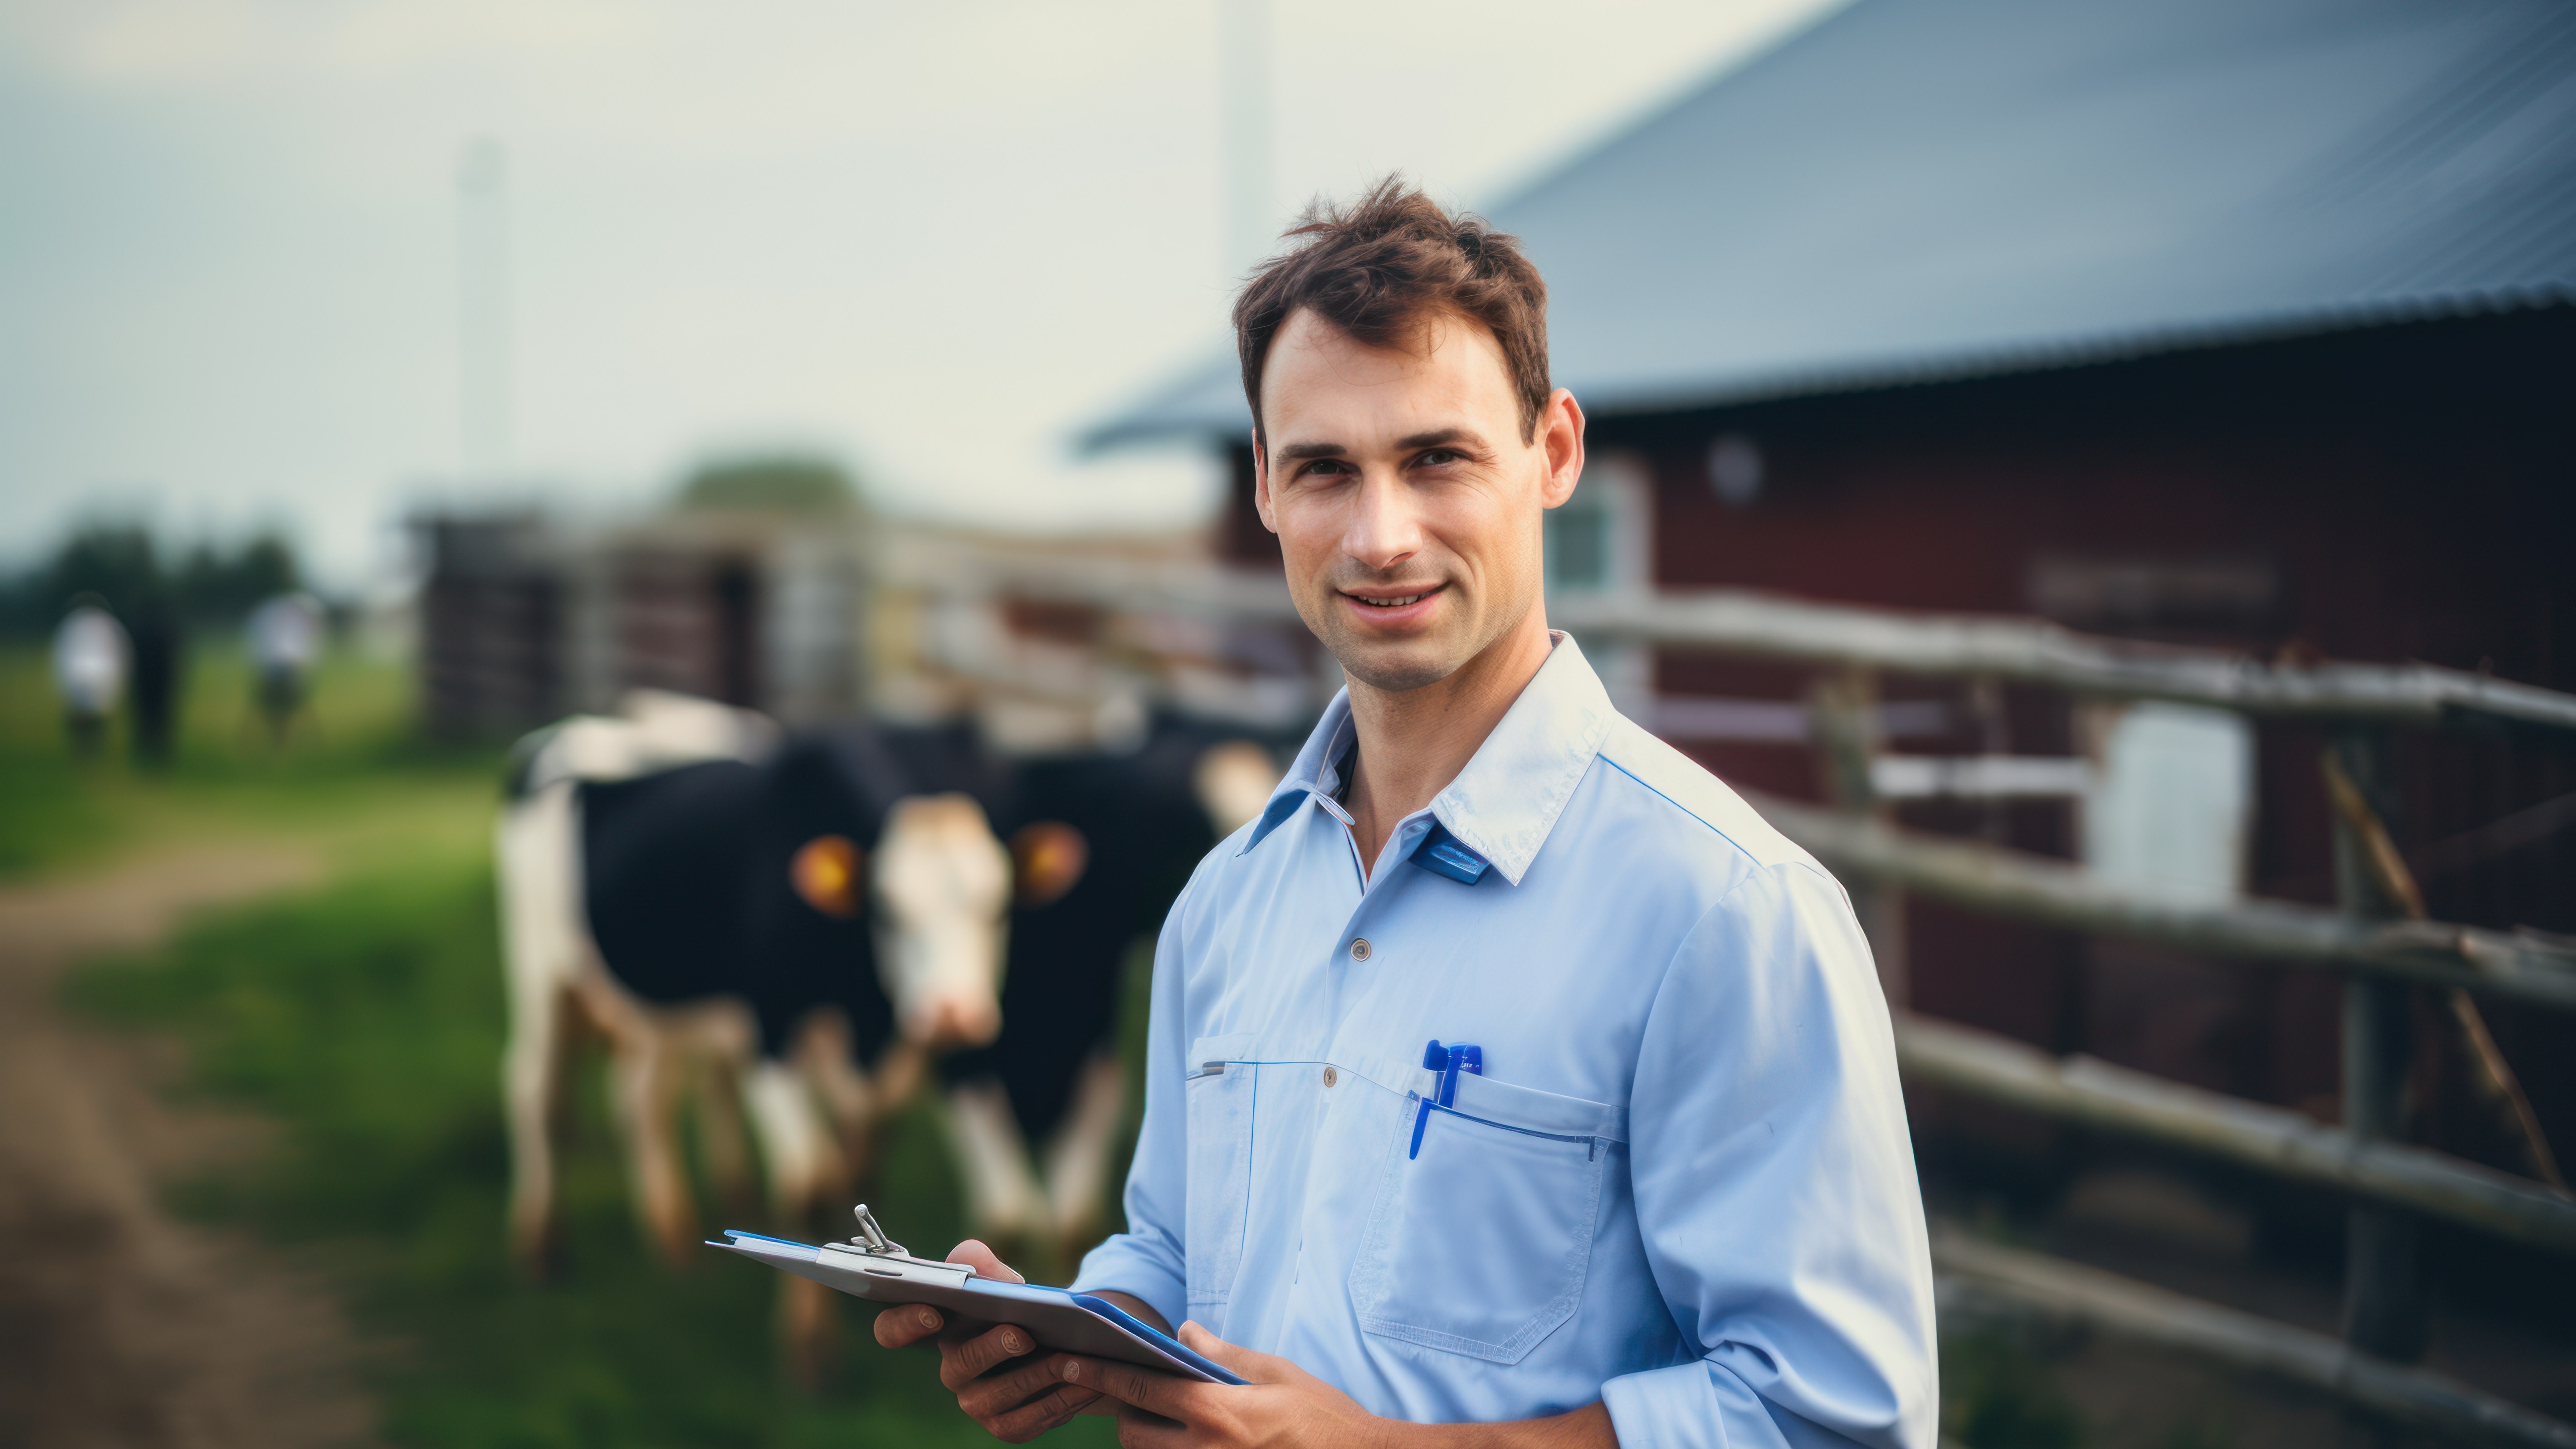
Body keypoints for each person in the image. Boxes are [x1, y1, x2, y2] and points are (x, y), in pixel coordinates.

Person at [875, 179, 1937, 1448]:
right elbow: (1177, 1241)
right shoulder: (1227, 900)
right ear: (1265, 487)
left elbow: (1836, 1415)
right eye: (1326, 470)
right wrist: (1080, 1328)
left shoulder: (1726, 912)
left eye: (1437, 458)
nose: (1380, 536)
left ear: (1553, 455)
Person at [53, 599, 130, 758]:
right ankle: (88, 746)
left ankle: (89, 747)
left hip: (91, 677)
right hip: (92, 677)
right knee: (88, 717)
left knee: (91, 717)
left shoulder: (77, 625)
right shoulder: (105, 626)